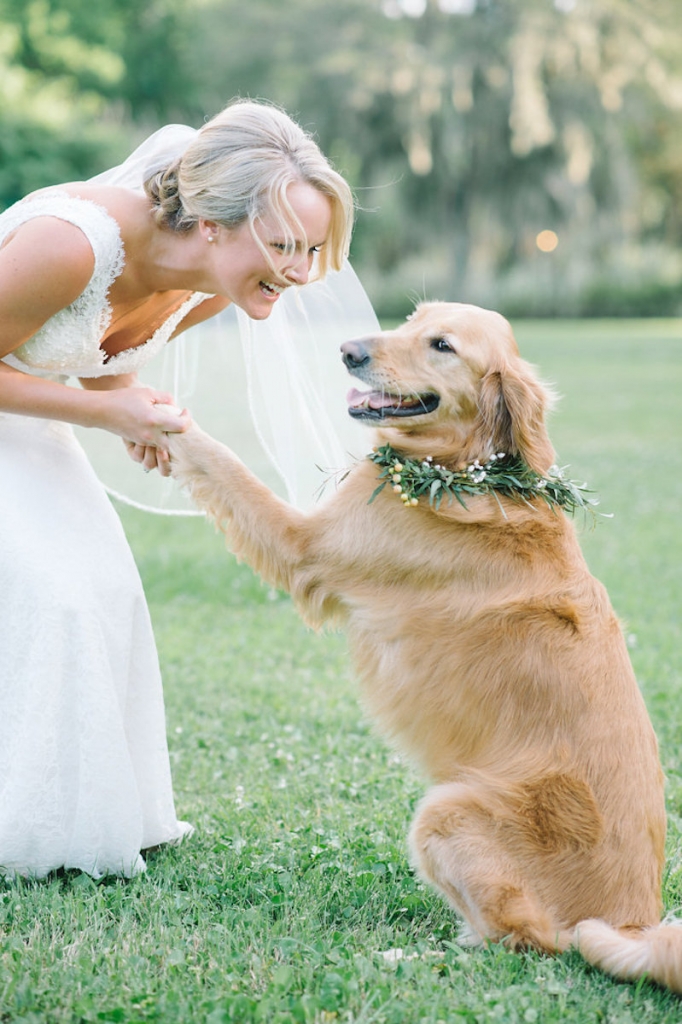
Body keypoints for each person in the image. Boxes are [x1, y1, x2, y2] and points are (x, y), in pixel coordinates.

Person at [0, 99, 362, 878]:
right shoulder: (70, 242)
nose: (299, 273)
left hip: (26, 414)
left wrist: (128, 406)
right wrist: (103, 411)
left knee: (107, 590)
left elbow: (95, 339)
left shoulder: (212, 285)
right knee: (54, 595)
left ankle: (78, 814)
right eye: (284, 247)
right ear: (211, 224)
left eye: (313, 251)